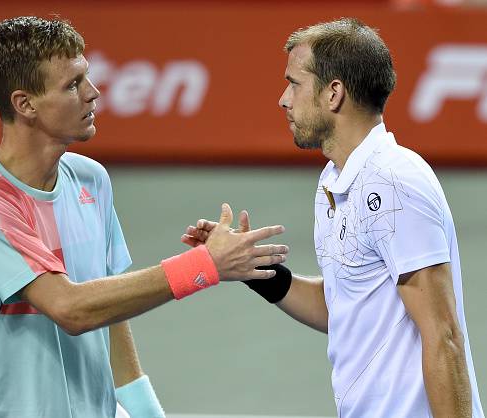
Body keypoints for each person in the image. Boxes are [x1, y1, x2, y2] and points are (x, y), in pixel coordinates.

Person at [0, 16, 289, 418]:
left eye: (87, 77)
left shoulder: (91, 180)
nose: (93, 92)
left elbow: (108, 313)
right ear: (24, 104)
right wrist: (203, 265)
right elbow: (72, 309)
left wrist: (148, 414)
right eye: (72, 85)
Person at [183, 17, 485, 418]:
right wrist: (254, 270)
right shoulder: (335, 180)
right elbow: (345, 308)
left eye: (294, 83)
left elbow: (443, 335)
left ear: (334, 94)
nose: (283, 99)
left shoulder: (395, 181)